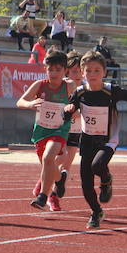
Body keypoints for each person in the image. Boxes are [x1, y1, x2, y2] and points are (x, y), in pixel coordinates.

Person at [62, 51, 127, 228]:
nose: (92, 75)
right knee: (86, 184)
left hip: (108, 139)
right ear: (83, 72)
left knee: (97, 166)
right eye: (88, 71)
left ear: (104, 72)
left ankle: (106, 179)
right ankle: (96, 211)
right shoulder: (80, 92)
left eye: (96, 70)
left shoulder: (111, 91)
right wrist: (68, 110)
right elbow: (68, 112)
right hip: (87, 140)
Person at [16, 50, 76, 211]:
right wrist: (29, 104)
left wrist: (72, 107)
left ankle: (42, 196)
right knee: (48, 165)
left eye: (58, 69)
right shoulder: (40, 85)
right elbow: (20, 101)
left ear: (65, 70)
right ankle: (60, 179)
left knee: (48, 158)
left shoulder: (69, 86)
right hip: (41, 130)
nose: (54, 73)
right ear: (45, 69)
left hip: (59, 130)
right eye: (50, 69)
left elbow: (79, 103)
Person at [52, 50, 83, 206]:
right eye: (74, 71)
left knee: (67, 165)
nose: (78, 74)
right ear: (67, 72)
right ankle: (45, 186)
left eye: (80, 71)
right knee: (58, 159)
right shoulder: (61, 87)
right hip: (60, 130)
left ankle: (55, 195)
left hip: (75, 131)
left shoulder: (85, 89)